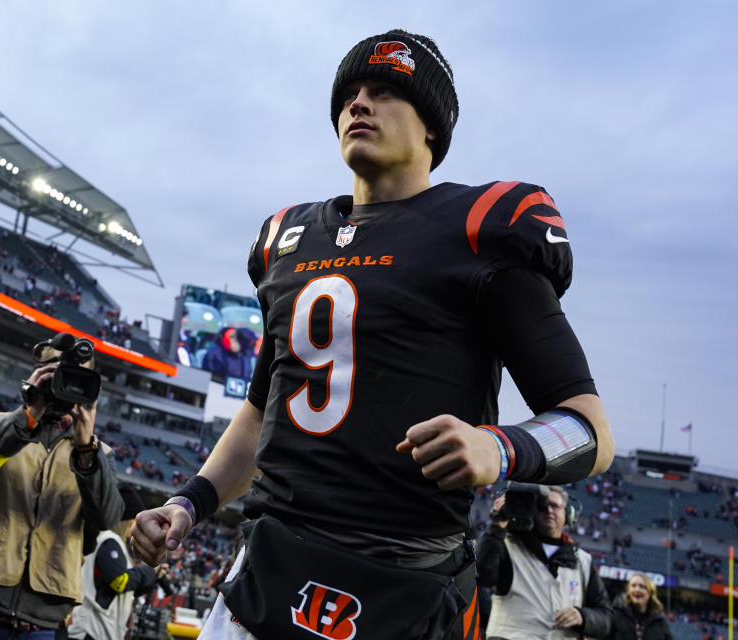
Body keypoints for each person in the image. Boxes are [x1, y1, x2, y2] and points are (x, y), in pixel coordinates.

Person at [130, 28, 615, 640]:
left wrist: (498, 447)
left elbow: (590, 430)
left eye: (385, 91)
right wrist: (188, 503)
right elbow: (261, 414)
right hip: (268, 568)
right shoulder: (289, 240)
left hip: (399, 584)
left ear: (432, 126)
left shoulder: (479, 229)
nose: (358, 104)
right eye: (350, 94)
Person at [0, 333, 124, 639]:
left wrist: (86, 448)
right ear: (39, 375)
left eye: (76, 376)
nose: (65, 383)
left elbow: (106, 518)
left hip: (41, 619)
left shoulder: (100, 455)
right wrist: (27, 416)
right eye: (56, 372)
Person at [477, 486, 612, 639]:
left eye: (555, 506)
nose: (549, 510)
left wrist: (583, 617)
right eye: (541, 506)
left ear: (568, 513)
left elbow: (605, 618)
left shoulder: (583, 561)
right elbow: (483, 575)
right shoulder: (506, 545)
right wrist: (498, 523)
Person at [67, 485, 163, 640]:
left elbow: (110, 589)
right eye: (133, 522)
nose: (134, 528)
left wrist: (150, 579)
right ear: (125, 520)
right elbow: (119, 581)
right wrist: (149, 572)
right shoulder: (108, 540)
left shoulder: (103, 539)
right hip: (92, 629)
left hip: (94, 628)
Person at [607, 573, 674, 640]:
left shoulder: (660, 622)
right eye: (633, 586)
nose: (637, 589)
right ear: (628, 590)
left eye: (642, 586)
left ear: (650, 592)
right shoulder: (615, 615)